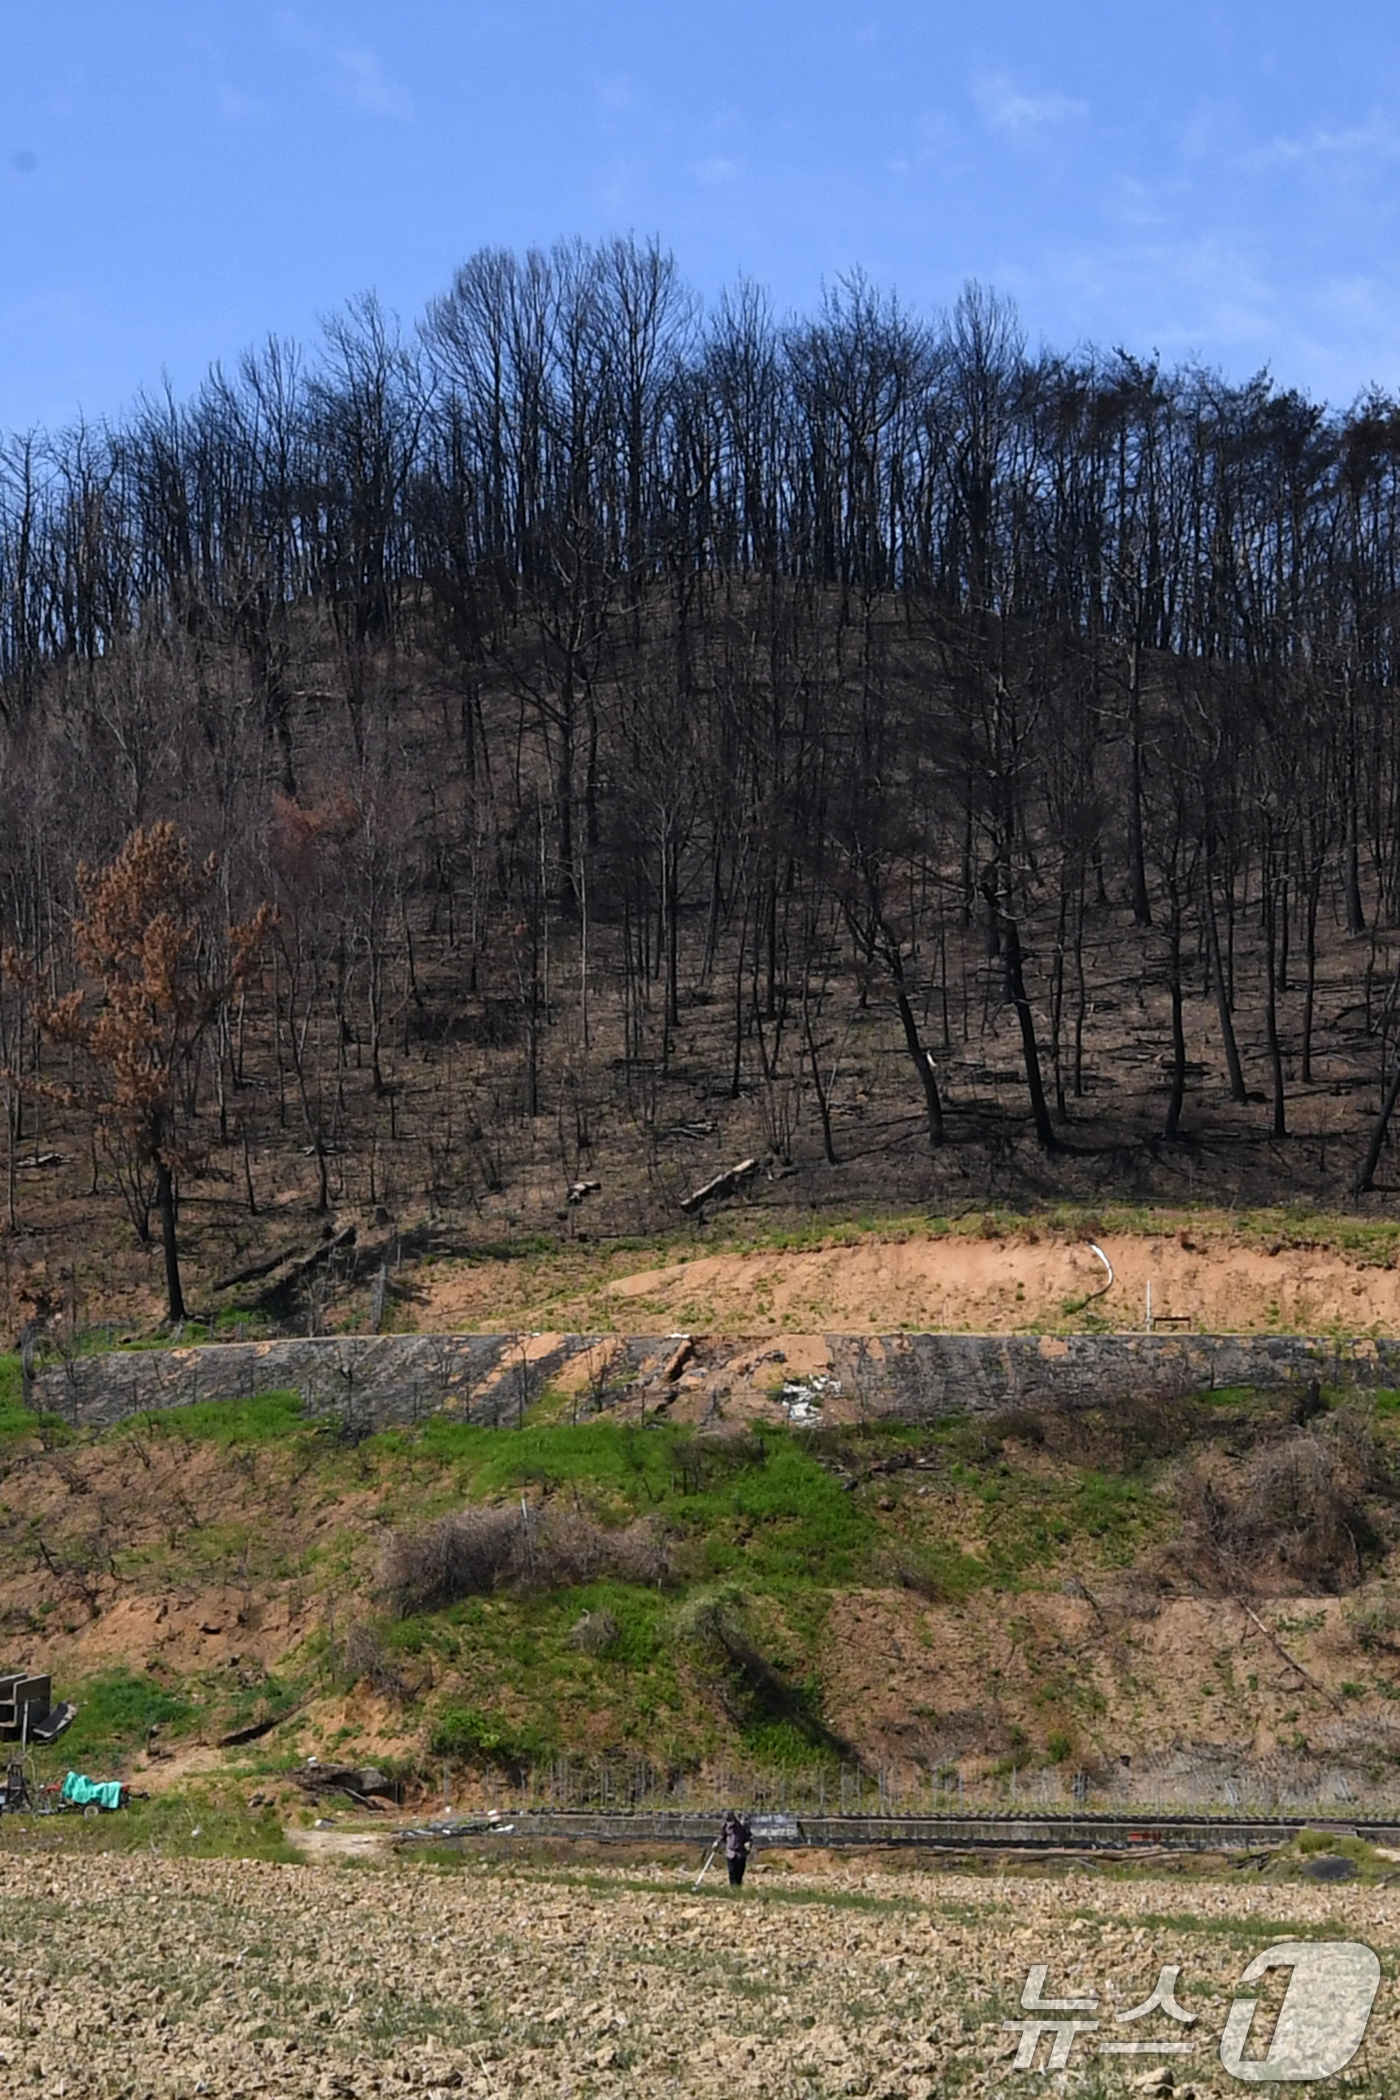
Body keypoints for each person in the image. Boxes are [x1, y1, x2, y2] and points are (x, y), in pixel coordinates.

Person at [721, 1809, 752, 1887]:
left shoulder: (742, 1826)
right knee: (732, 1873)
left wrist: (748, 1843)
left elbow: (749, 1837)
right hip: (730, 1853)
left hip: (741, 1853)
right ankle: (733, 1888)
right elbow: (722, 1837)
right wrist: (717, 1843)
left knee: (739, 1874)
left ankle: (738, 1888)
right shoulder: (725, 1826)